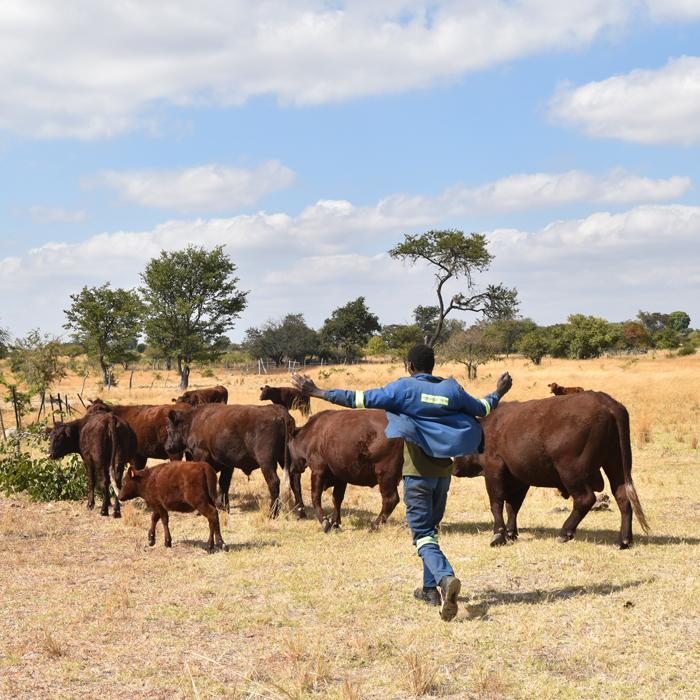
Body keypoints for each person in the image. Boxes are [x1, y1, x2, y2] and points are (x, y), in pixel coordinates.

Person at [292, 343, 512, 622]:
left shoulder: (404, 389)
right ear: (433, 365)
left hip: (417, 474)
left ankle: (445, 579)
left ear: (409, 366)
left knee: (421, 535)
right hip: (443, 474)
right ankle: (429, 590)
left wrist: (318, 392)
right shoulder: (451, 390)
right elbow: (482, 407)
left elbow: (358, 399)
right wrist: (499, 391)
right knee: (431, 531)